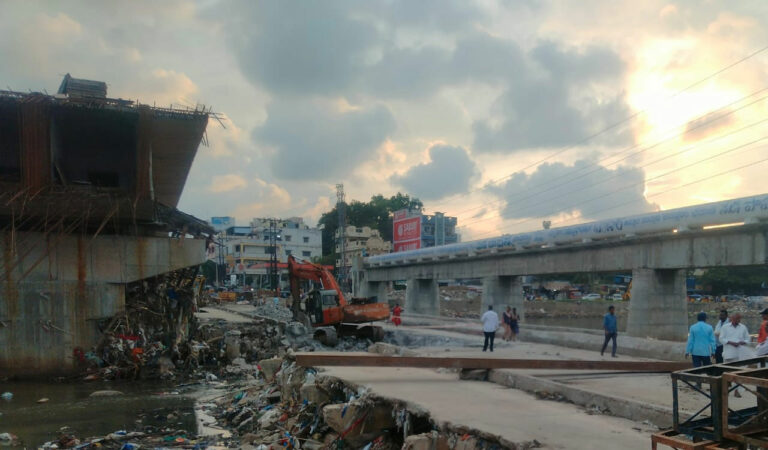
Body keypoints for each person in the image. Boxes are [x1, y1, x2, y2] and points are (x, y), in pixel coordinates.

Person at [720, 313, 750, 397]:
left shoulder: (743, 327)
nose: (738, 321)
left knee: (738, 373)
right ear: (732, 318)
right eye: (737, 319)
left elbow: (748, 339)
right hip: (728, 353)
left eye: (739, 319)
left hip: (739, 354)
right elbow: (721, 339)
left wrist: (742, 342)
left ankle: (736, 390)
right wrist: (731, 342)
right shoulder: (725, 327)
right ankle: (727, 389)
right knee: (727, 373)